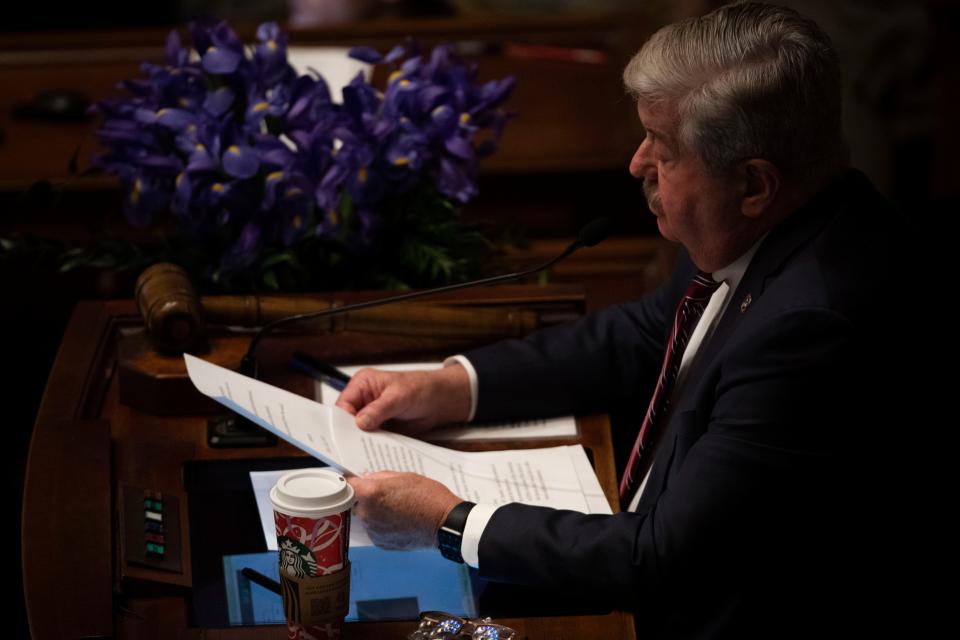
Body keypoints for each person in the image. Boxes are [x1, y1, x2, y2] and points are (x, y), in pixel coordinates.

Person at [337, 3, 923, 637]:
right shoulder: (765, 221)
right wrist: (451, 385)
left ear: (754, 183)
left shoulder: (813, 327)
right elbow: (647, 332)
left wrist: (449, 522)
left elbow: (659, 557)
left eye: (664, 149)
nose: (637, 164)